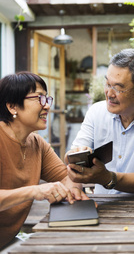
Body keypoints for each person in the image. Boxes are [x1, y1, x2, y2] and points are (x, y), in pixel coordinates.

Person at [65, 48, 134, 195]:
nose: (109, 94)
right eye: (108, 84)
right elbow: (72, 156)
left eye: (118, 88)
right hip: (103, 206)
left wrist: (108, 178)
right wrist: (75, 158)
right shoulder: (96, 112)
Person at [0, 71, 88, 250]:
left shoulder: (37, 143)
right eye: (39, 99)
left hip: (7, 242)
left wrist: (73, 186)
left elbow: (68, 178)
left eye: (47, 99)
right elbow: (36, 191)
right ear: (12, 107)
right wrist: (34, 190)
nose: (47, 106)